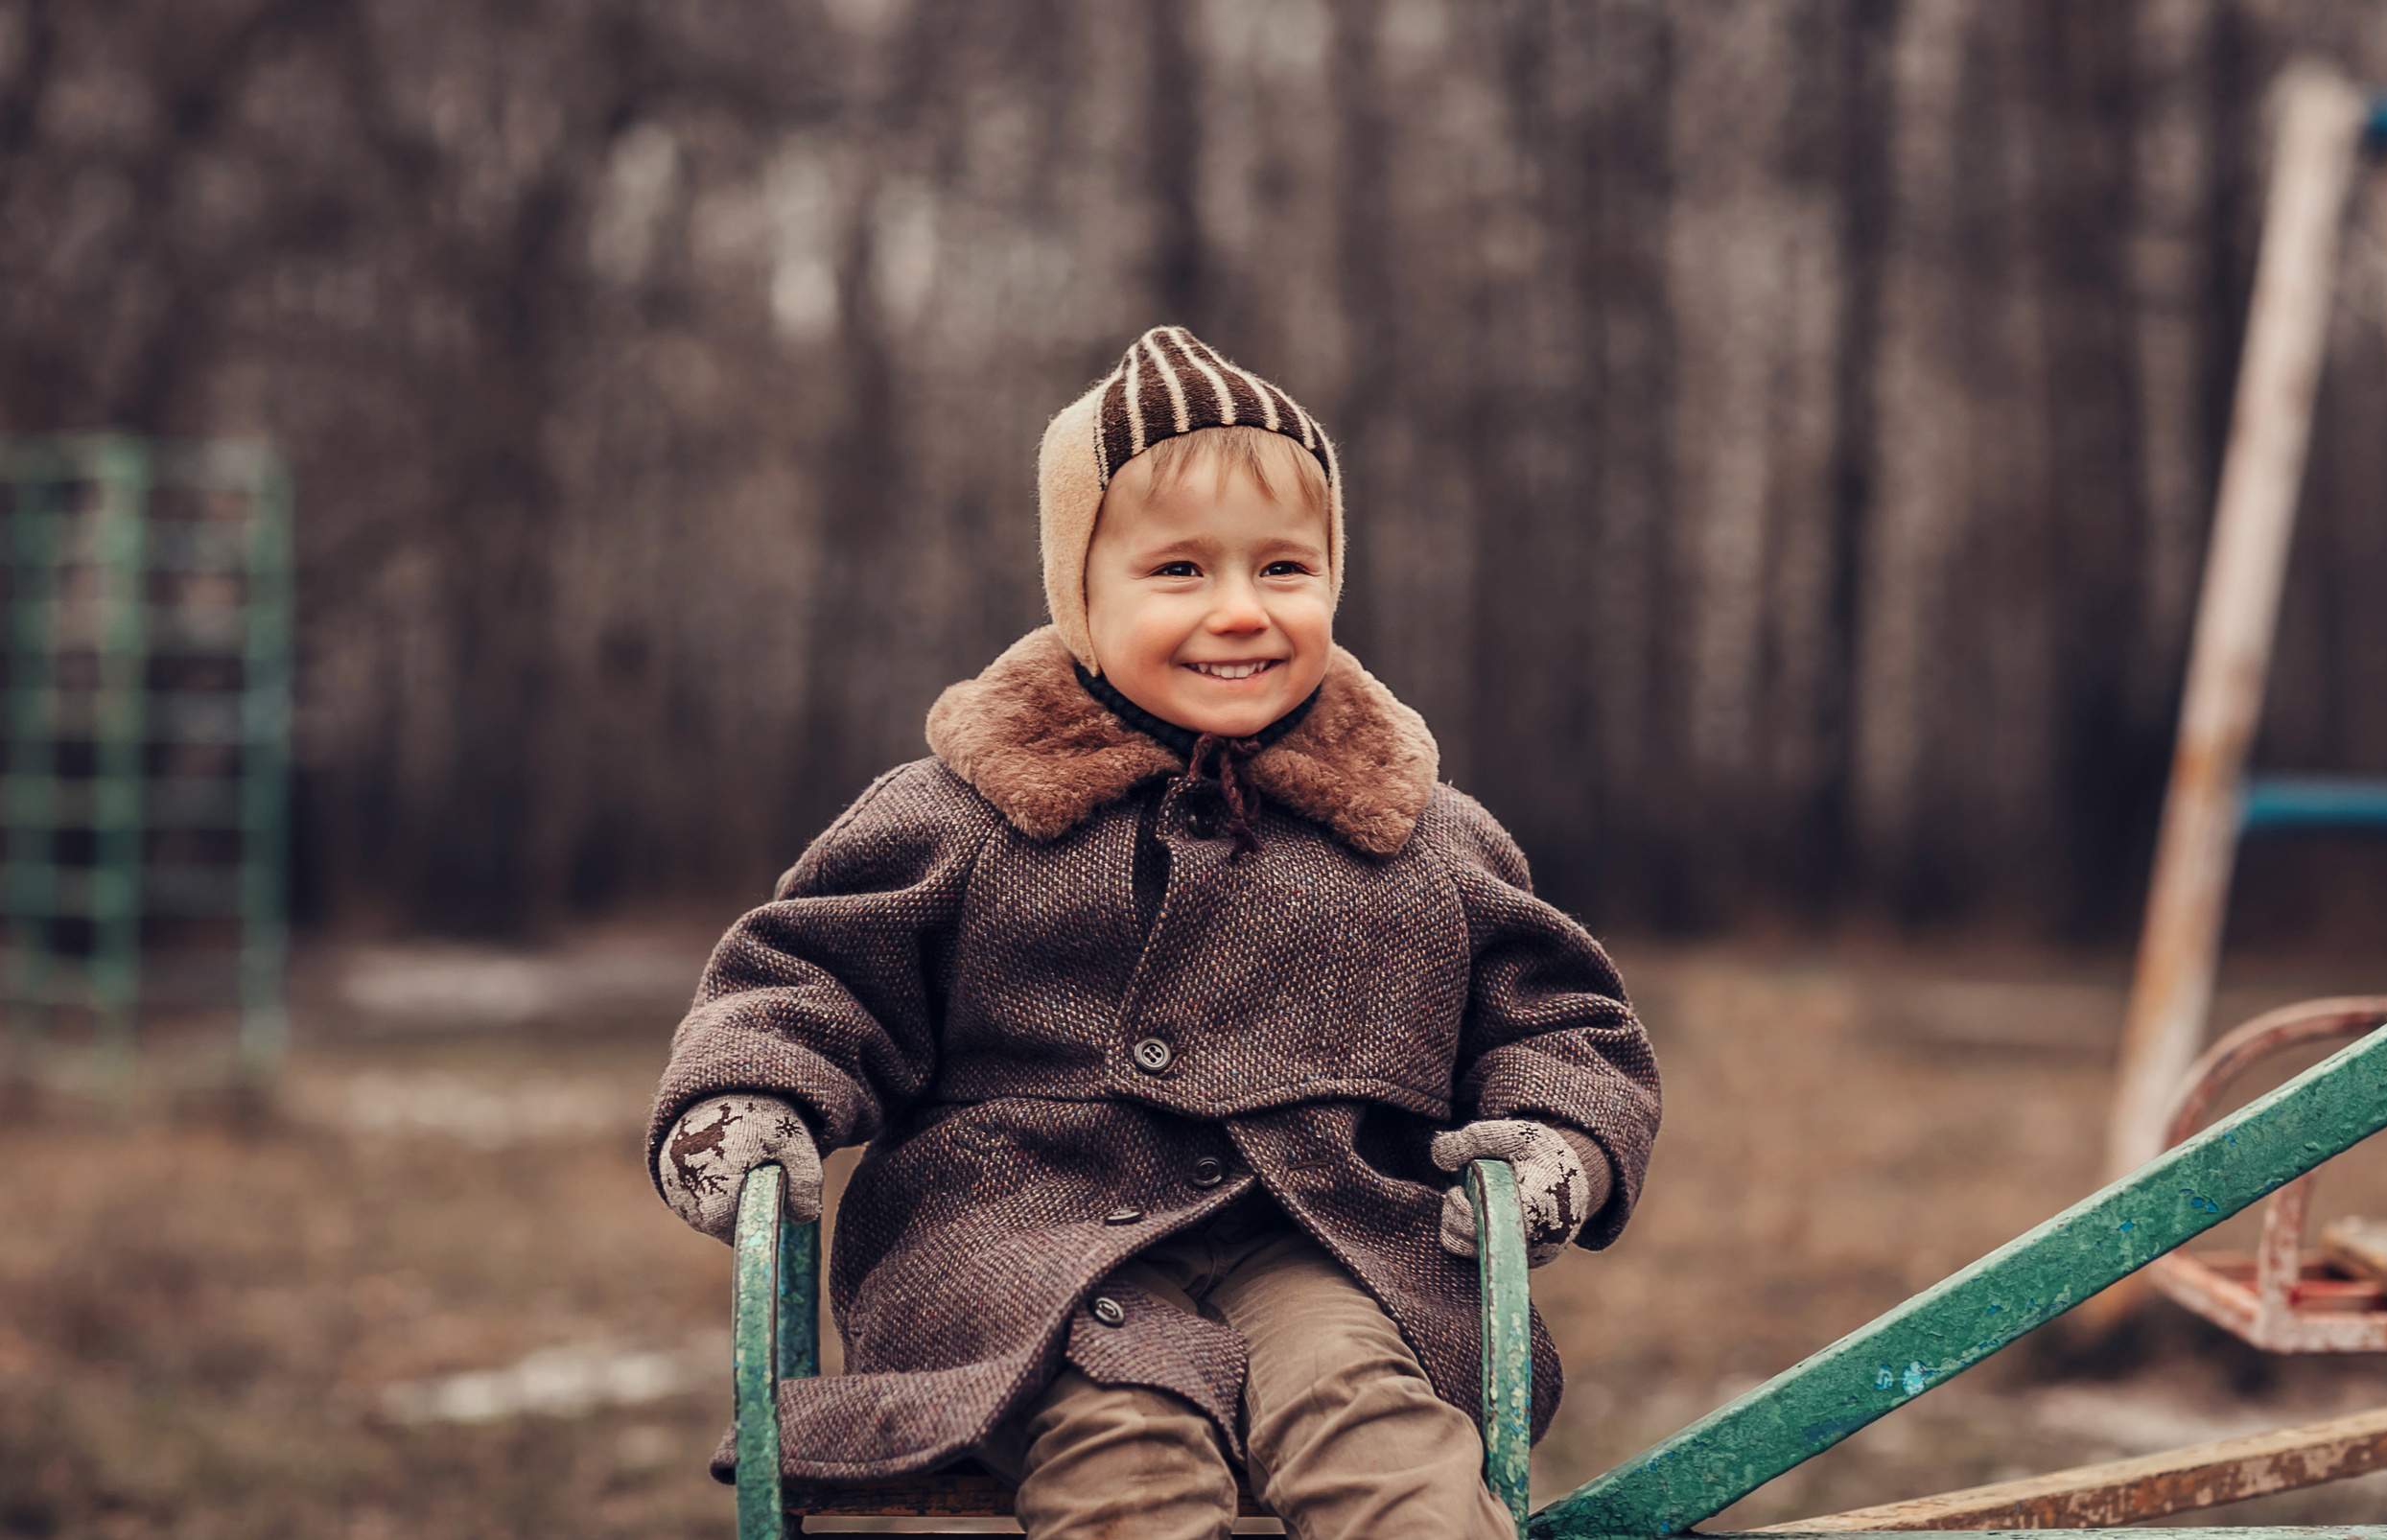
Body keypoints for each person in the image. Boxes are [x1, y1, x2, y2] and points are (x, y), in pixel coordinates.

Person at [647, 326, 1661, 1539]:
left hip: (1314, 1235)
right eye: (1178, 571)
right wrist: (749, 1094)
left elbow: (1560, 1017)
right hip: (1028, 1242)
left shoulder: (1413, 829)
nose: (1240, 611)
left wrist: (1563, 1137)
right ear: (1079, 589)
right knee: (1125, 1446)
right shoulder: (966, 807)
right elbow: (810, 976)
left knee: (1378, 1431)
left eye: (1284, 569)